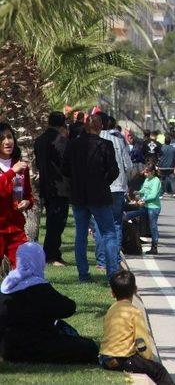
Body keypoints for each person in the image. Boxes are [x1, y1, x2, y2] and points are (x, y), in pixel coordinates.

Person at [0, 242, 98, 363]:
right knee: (89, 347)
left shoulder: (7, 285)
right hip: (36, 346)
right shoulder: (38, 287)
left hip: (8, 349)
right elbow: (67, 308)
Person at [63, 115, 120, 281]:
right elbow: (113, 170)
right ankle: (113, 274)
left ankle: (83, 274)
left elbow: (65, 168)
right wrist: (103, 182)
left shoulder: (73, 145)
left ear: (85, 127)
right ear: (100, 127)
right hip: (99, 194)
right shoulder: (105, 145)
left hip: (79, 194)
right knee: (108, 233)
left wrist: (76, 180)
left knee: (81, 234)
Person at [100, 270, 174, 384]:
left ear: (112, 293)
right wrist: (148, 358)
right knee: (159, 371)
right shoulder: (134, 312)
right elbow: (141, 340)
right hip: (122, 360)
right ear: (135, 290)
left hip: (105, 359)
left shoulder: (111, 310)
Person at [94, 113, 133, 271]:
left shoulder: (94, 139)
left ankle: (102, 261)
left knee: (99, 223)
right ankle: (115, 260)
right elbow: (128, 165)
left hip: (100, 187)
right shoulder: (119, 140)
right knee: (116, 224)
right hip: (117, 187)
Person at [34, 112, 70, 266]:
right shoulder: (61, 141)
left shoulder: (40, 140)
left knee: (52, 221)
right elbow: (66, 164)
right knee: (57, 222)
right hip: (59, 187)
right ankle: (51, 255)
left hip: (45, 185)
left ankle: (54, 253)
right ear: (62, 124)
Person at [0, 122, 34, 267]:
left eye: (9, 137)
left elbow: (28, 195)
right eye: (2, 138)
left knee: (26, 267)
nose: (7, 141)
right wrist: (11, 172)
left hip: (16, 228)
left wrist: (27, 202)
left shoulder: (21, 166)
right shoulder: (15, 168)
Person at [125, 164, 162, 255]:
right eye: (145, 172)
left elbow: (153, 195)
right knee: (134, 215)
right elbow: (143, 190)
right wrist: (138, 192)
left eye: (147, 172)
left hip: (153, 207)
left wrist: (143, 199)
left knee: (153, 226)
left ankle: (154, 246)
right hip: (145, 206)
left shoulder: (156, 181)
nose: (145, 174)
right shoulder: (147, 179)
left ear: (152, 172)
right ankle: (125, 219)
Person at [157, 134, 175, 199]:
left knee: (161, 180)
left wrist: (157, 165)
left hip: (162, 167)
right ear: (170, 141)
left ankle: (160, 194)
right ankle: (174, 193)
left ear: (164, 141)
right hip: (171, 167)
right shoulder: (174, 149)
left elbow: (158, 157)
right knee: (173, 180)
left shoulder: (161, 148)